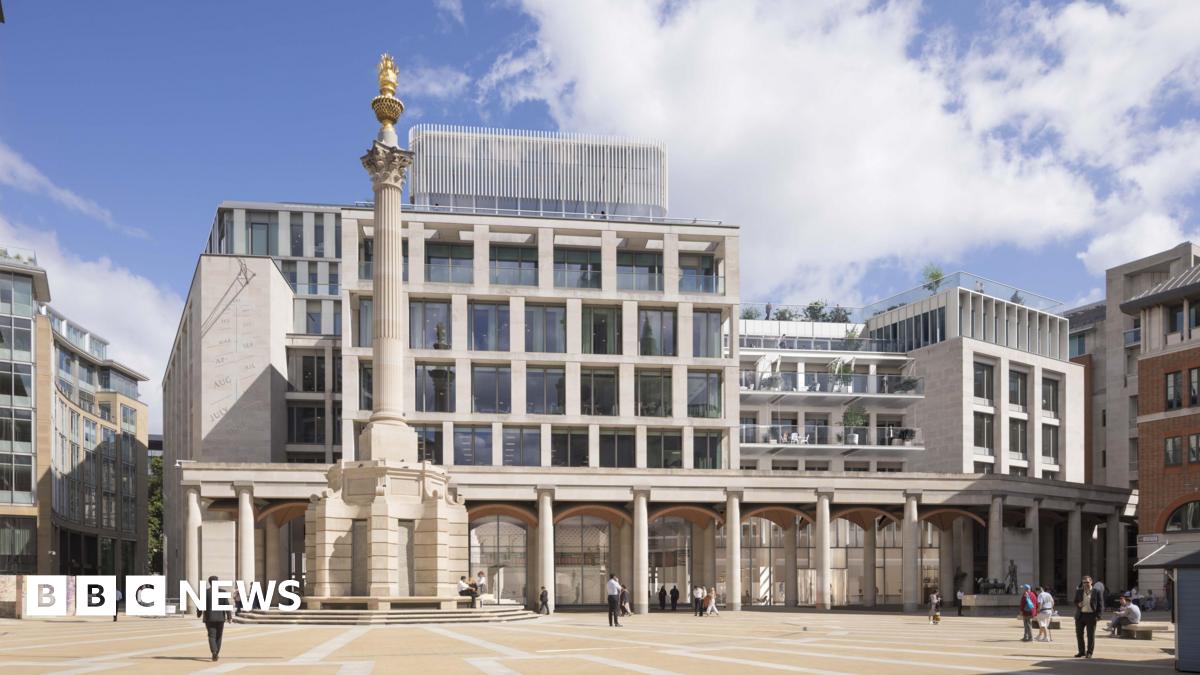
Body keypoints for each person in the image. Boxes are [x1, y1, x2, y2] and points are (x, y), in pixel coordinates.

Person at [198, 576, 232, 662]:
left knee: (211, 635)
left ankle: (214, 651)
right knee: (219, 636)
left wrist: (199, 613)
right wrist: (229, 617)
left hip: (209, 618)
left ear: (209, 582)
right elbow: (226, 605)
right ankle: (216, 652)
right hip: (220, 618)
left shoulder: (205, 592)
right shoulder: (223, 592)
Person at [1074, 575, 1103, 659]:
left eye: (1087, 582)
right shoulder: (1079, 591)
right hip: (1080, 615)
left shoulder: (1096, 591)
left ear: (1091, 582)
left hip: (1091, 615)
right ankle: (1081, 652)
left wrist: (1098, 616)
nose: (1085, 584)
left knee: (1090, 635)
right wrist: (1078, 604)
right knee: (1079, 634)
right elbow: (1075, 601)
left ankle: (1089, 652)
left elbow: (1100, 604)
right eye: (1084, 582)